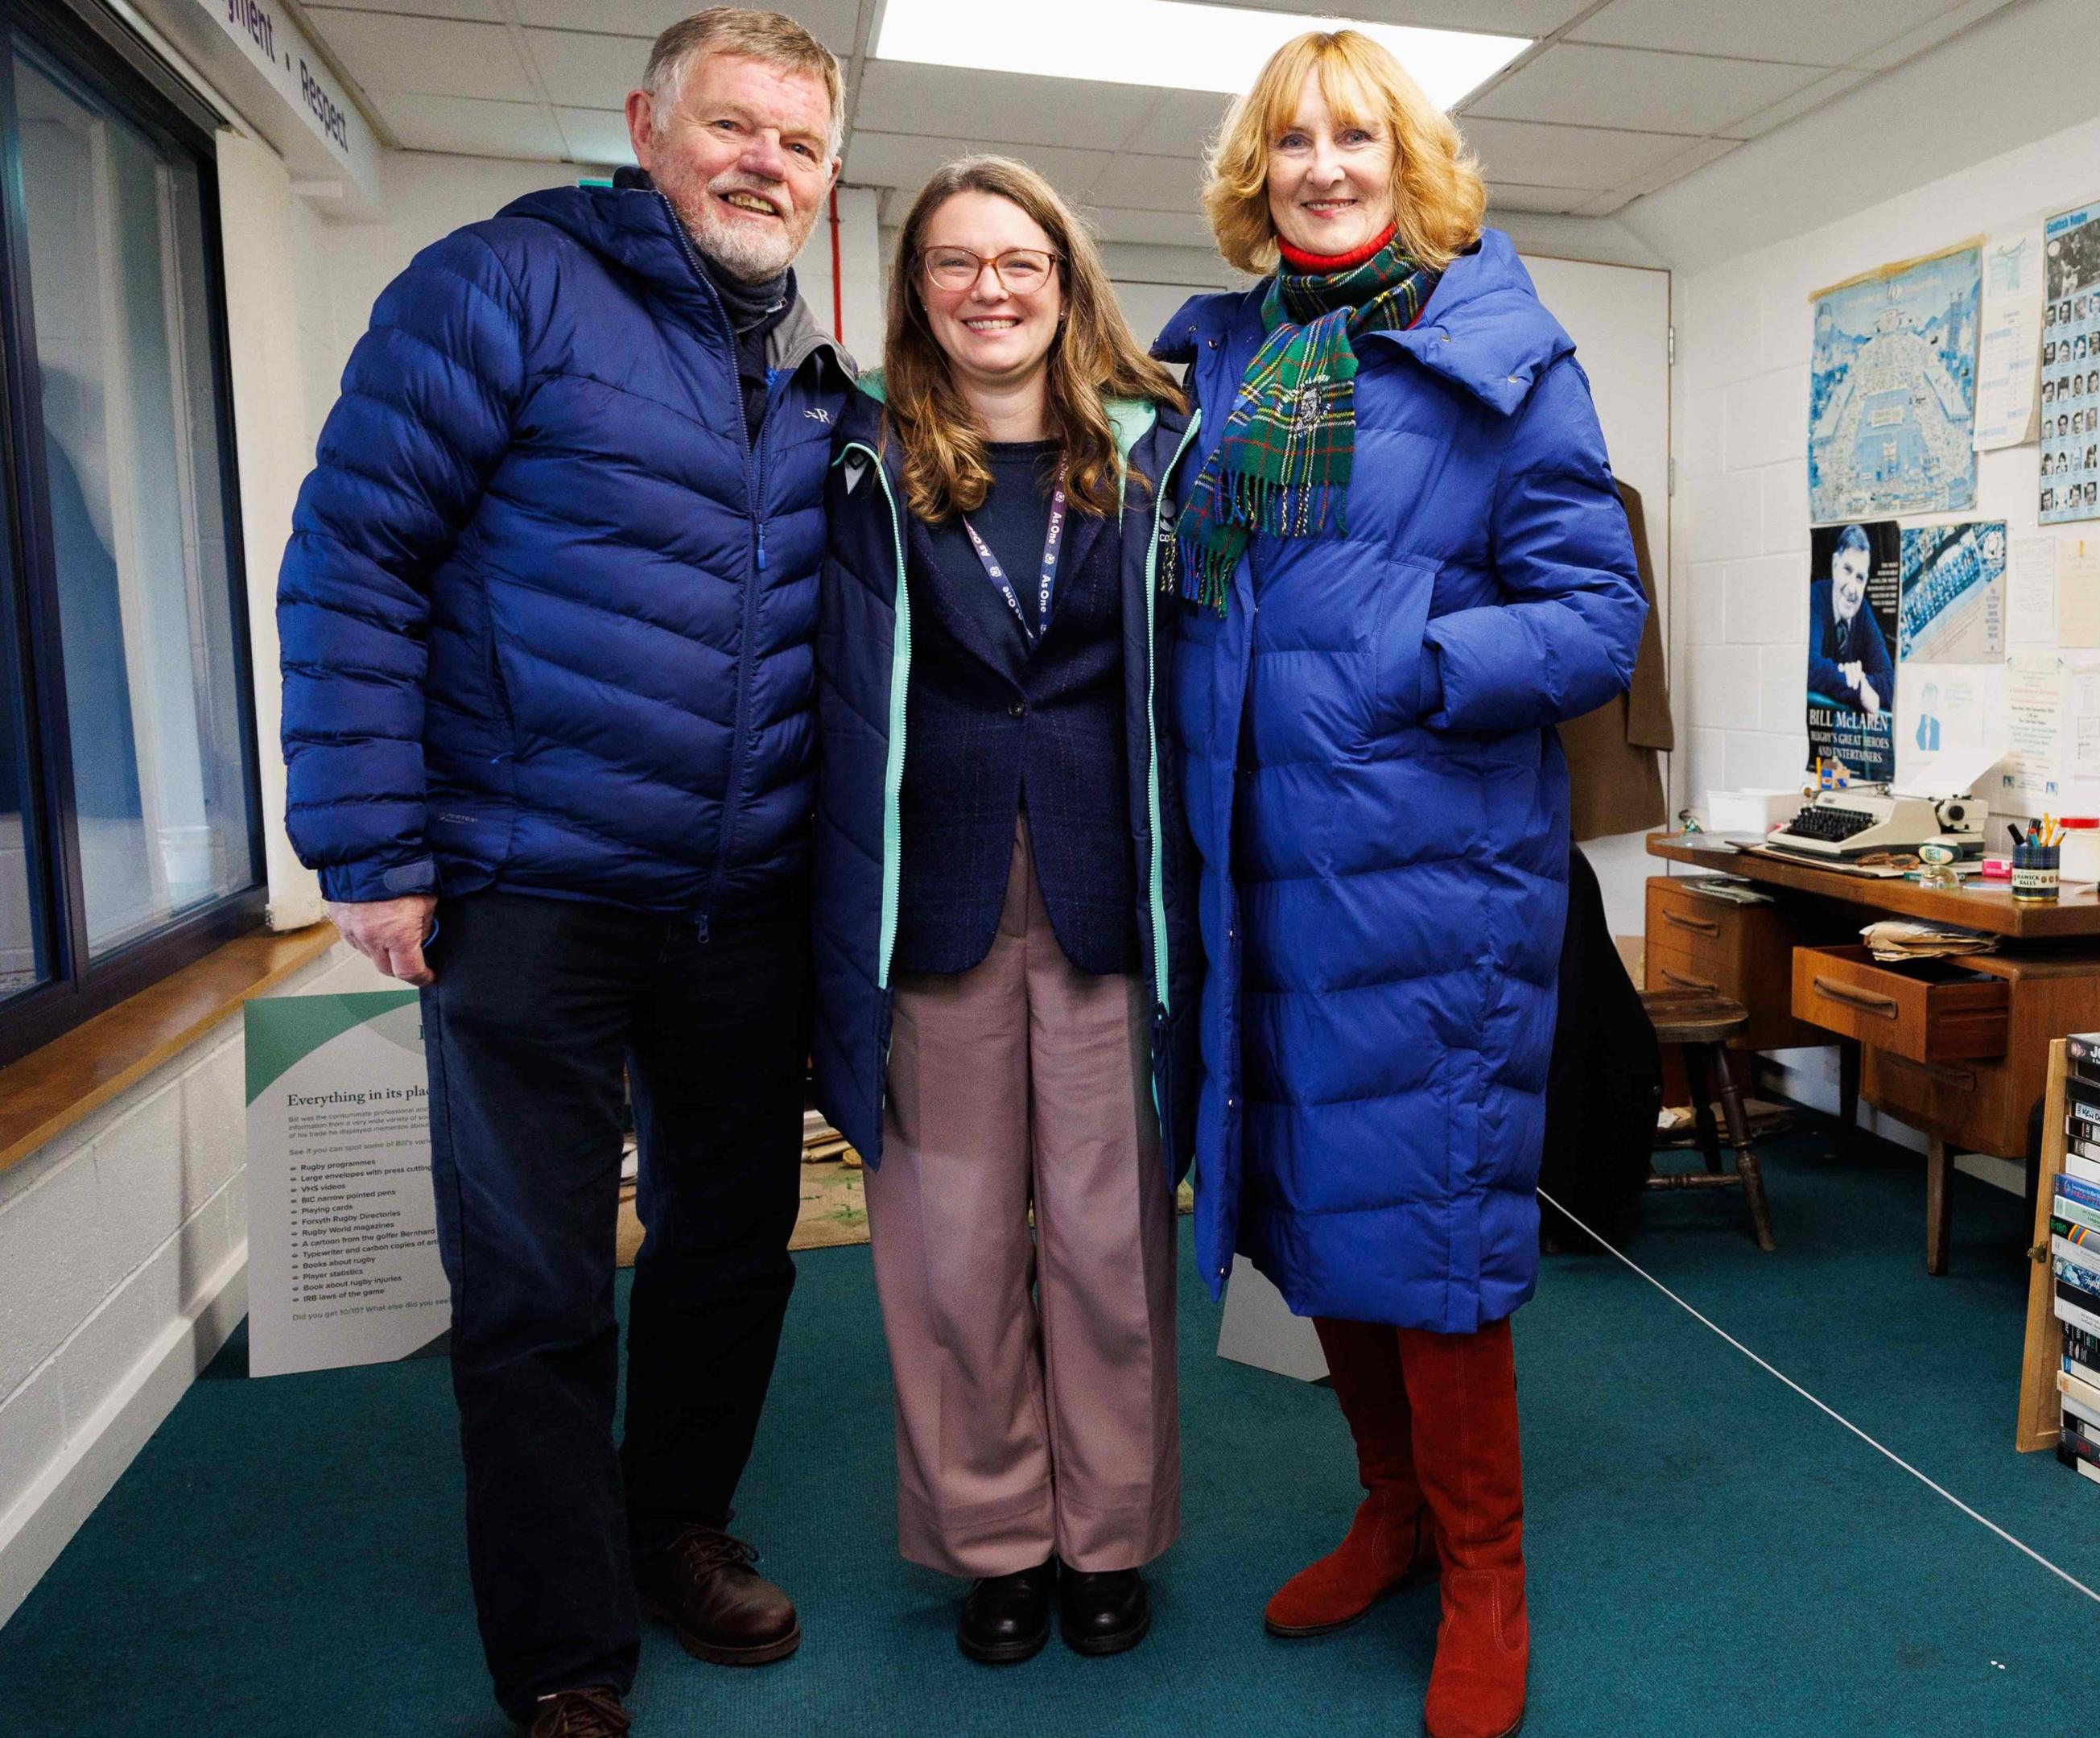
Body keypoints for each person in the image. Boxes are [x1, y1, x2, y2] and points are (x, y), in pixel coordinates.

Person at [275, 11, 852, 1734]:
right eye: (733, 124)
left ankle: (671, 1523)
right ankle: (561, 1643)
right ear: (648, 128)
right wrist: (374, 846)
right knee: (532, 1275)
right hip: (530, 887)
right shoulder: (505, 285)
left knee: (730, 1238)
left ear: (827, 182)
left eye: (800, 143)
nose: (765, 161)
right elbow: (355, 553)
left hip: (740, 904)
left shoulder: (822, 385)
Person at [1157, 30, 1644, 1738]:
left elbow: (1598, 618)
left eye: (1355, 133)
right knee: (1314, 1220)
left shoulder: (1501, 354)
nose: (1323, 163)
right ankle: (1393, 1510)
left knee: (1429, 1235)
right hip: (1261, 876)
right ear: (1256, 171)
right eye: (1290, 139)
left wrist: (1415, 660)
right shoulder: (1205, 361)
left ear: (1410, 157)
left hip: (1426, 868)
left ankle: (1488, 1564)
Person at [805, 156, 1198, 1670]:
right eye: (956, 262)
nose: (990, 288)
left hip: (1109, 890)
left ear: (1065, 279)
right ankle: (992, 1540)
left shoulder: (1151, 458)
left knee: (1109, 1244)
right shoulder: (862, 462)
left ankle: (1107, 1535)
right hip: (935, 895)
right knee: (951, 1245)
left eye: (1020, 260)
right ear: (916, 290)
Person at [1808, 525, 1892, 715]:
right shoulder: (1816, 597)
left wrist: (1861, 679)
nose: (1852, 589)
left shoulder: (1862, 612)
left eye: (1860, 578)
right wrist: (1858, 688)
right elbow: (1808, 666)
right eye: (1847, 570)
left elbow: (1890, 683)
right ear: (1835, 564)